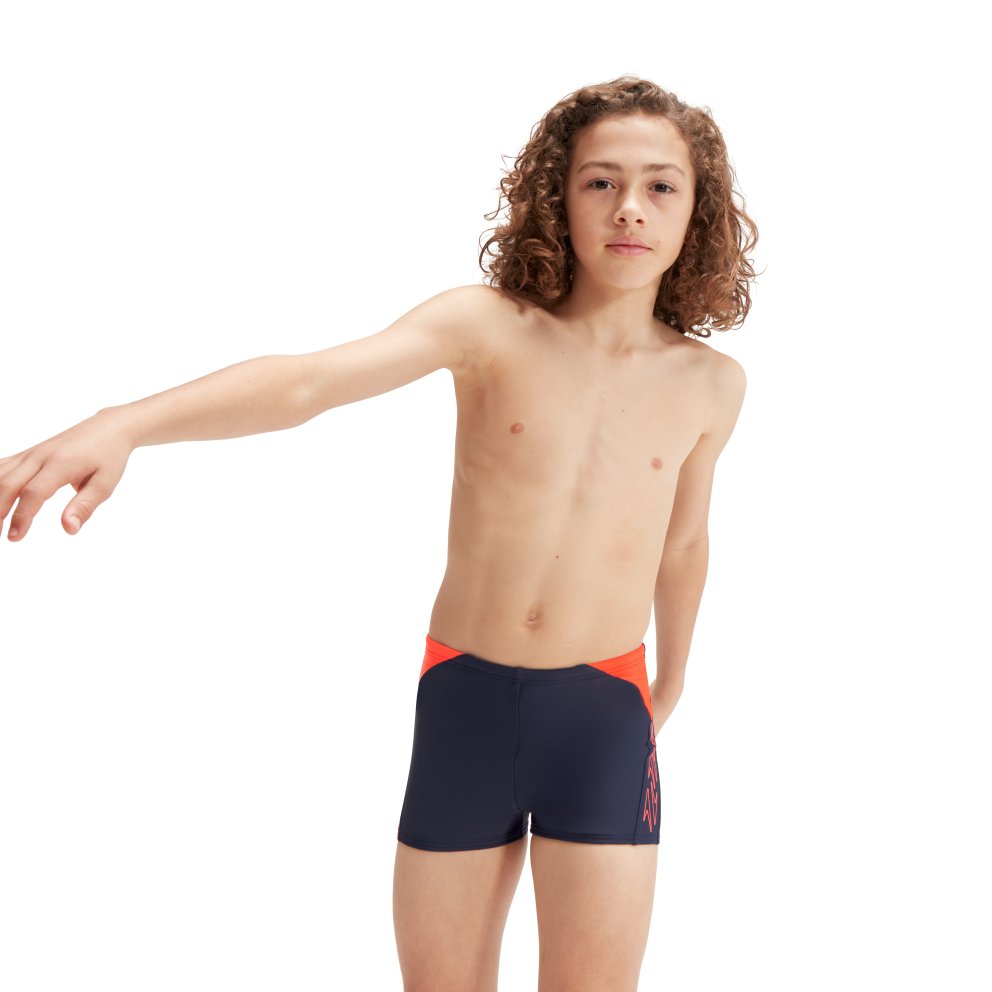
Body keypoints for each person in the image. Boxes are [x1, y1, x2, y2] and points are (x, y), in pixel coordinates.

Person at [0, 75, 757, 991]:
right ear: (558, 198)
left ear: (695, 212)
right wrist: (125, 423)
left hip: (602, 713)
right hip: (467, 703)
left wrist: (673, 677)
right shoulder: (488, 327)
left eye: (660, 186)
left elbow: (684, 541)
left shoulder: (710, 383)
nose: (629, 207)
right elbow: (308, 382)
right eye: (601, 181)